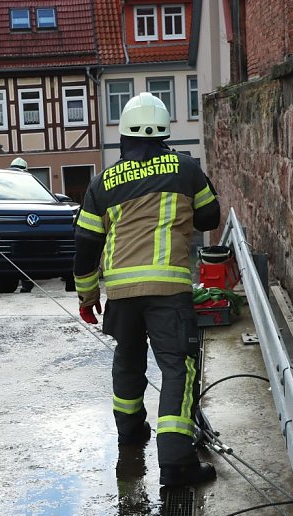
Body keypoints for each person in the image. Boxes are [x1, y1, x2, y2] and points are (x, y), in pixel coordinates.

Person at [73, 92, 221, 487]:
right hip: (168, 290)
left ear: (123, 136)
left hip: (121, 296)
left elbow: (86, 247)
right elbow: (210, 216)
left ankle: (131, 432)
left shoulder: (102, 183)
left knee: (128, 360)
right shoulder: (186, 169)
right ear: (164, 132)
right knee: (178, 368)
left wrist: (88, 299)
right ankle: (176, 465)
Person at [8, 157, 35, 293]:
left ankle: (3, 284)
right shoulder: (28, 182)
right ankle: (26, 283)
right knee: (26, 255)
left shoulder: (5, 181)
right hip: (27, 224)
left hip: (11, 225)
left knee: (11, 255)